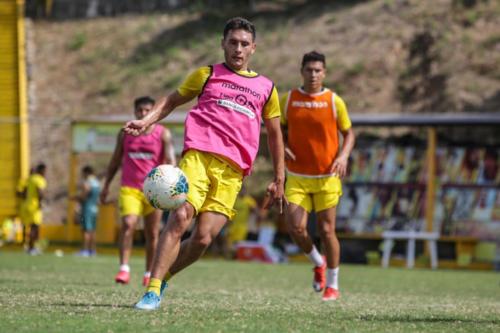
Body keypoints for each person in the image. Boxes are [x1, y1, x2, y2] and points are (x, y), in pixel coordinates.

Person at [128, 17, 286, 310]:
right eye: (232, 42)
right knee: (180, 217)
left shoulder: (267, 88)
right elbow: (172, 101)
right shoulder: (206, 74)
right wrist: (146, 121)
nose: (238, 49)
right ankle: (150, 289)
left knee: (202, 239)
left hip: (233, 171)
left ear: (253, 48)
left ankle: (165, 278)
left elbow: (275, 135)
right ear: (223, 43)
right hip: (198, 157)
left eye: (244, 44)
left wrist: (279, 178)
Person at [281, 51, 355, 301]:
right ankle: (317, 262)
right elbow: (275, 128)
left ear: (324, 73)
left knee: (327, 230)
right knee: (295, 227)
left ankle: (333, 285)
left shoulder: (334, 101)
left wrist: (343, 156)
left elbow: (349, 134)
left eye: (318, 70)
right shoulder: (288, 99)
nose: (313, 74)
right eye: (309, 69)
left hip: (326, 177)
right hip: (297, 176)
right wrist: (282, 144)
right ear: (301, 71)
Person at [100, 96, 176, 286]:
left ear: (153, 112)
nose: (143, 114)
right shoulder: (125, 134)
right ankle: (124, 269)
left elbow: (171, 162)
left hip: (154, 192)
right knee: (128, 223)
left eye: (147, 110)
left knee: (152, 234)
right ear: (134, 112)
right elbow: (115, 161)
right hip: (129, 188)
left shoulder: (162, 134)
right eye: (139, 110)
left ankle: (149, 272)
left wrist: (172, 188)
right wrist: (106, 185)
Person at [73, 165, 101, 257]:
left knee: (85, 230)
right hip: (94, 209)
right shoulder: (97, 182)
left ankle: (85, 250)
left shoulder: (88, 182)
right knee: (92, 230)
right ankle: (92, 250)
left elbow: (85, 193)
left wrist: (76, 198)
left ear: (86, 172)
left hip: (87, 208)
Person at [23, 163, 48, 255]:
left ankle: (30, 247)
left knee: (30, 227)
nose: (45, 173)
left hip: (27, 205)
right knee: (35, 228)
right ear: (41, 170)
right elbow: (40, 192)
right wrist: (41, 203)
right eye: (45, 171)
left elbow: (24, 191)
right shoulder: (39, 179)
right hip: (35, 206)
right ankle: (31, 248)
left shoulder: (30, 178)